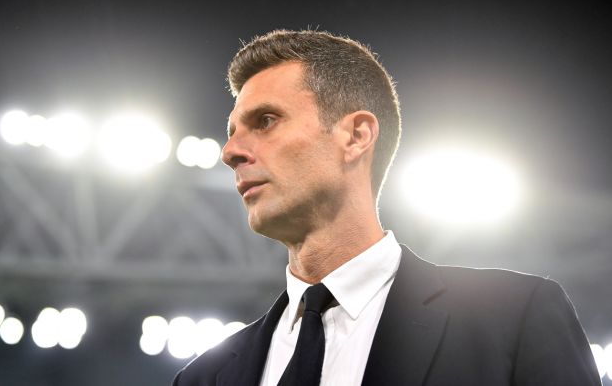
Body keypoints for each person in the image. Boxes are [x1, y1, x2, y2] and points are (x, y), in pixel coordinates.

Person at [173, 30, 600, 386]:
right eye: (231, 132)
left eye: (265, 121)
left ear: (356, 136)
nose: (230, 152)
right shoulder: (203, 378)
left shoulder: (512, 320)